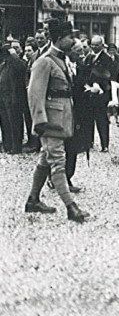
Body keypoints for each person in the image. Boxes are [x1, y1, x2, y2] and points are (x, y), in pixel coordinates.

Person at [24, 19, 90, 223]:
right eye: (70, 37)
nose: (73, 40)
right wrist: (41, 123)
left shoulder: (61, 60)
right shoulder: (44, 62)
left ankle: (33, 200)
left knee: (46, 159)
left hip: (61, 120)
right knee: (58, 163)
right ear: (60, 38)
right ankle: (71, 207)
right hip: (50, 123)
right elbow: (35, 95)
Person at [64, 38, 93, 193]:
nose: (82, 54)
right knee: (64, 146)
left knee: (73, 145)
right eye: (78, 51)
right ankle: (60, 177)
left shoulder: (81, 67)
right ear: (70, 51)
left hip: (79, 113)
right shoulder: (63, 65)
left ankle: (67, 176)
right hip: (66, 111)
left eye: (82, 50)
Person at [84, 35, 114, 152]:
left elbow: (108, 75)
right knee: (88, 118)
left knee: (102, 119)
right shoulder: (89, 57)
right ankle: (88, 142)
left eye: (96, 45)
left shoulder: (107, 58)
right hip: (89, 92)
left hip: (102, 93)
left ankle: (104, 144)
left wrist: (99, 85)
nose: (94, 47)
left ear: (102, 45)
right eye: (92, 45)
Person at [0, 46, 26, 153]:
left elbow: (21, 67)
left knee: (14, 123)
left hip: (13, 97)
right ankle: (7, 145)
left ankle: (16, 146)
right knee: (5, 122)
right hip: (3, 97)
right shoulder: (3, 65)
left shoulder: (16, 64)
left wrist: (15, 56)